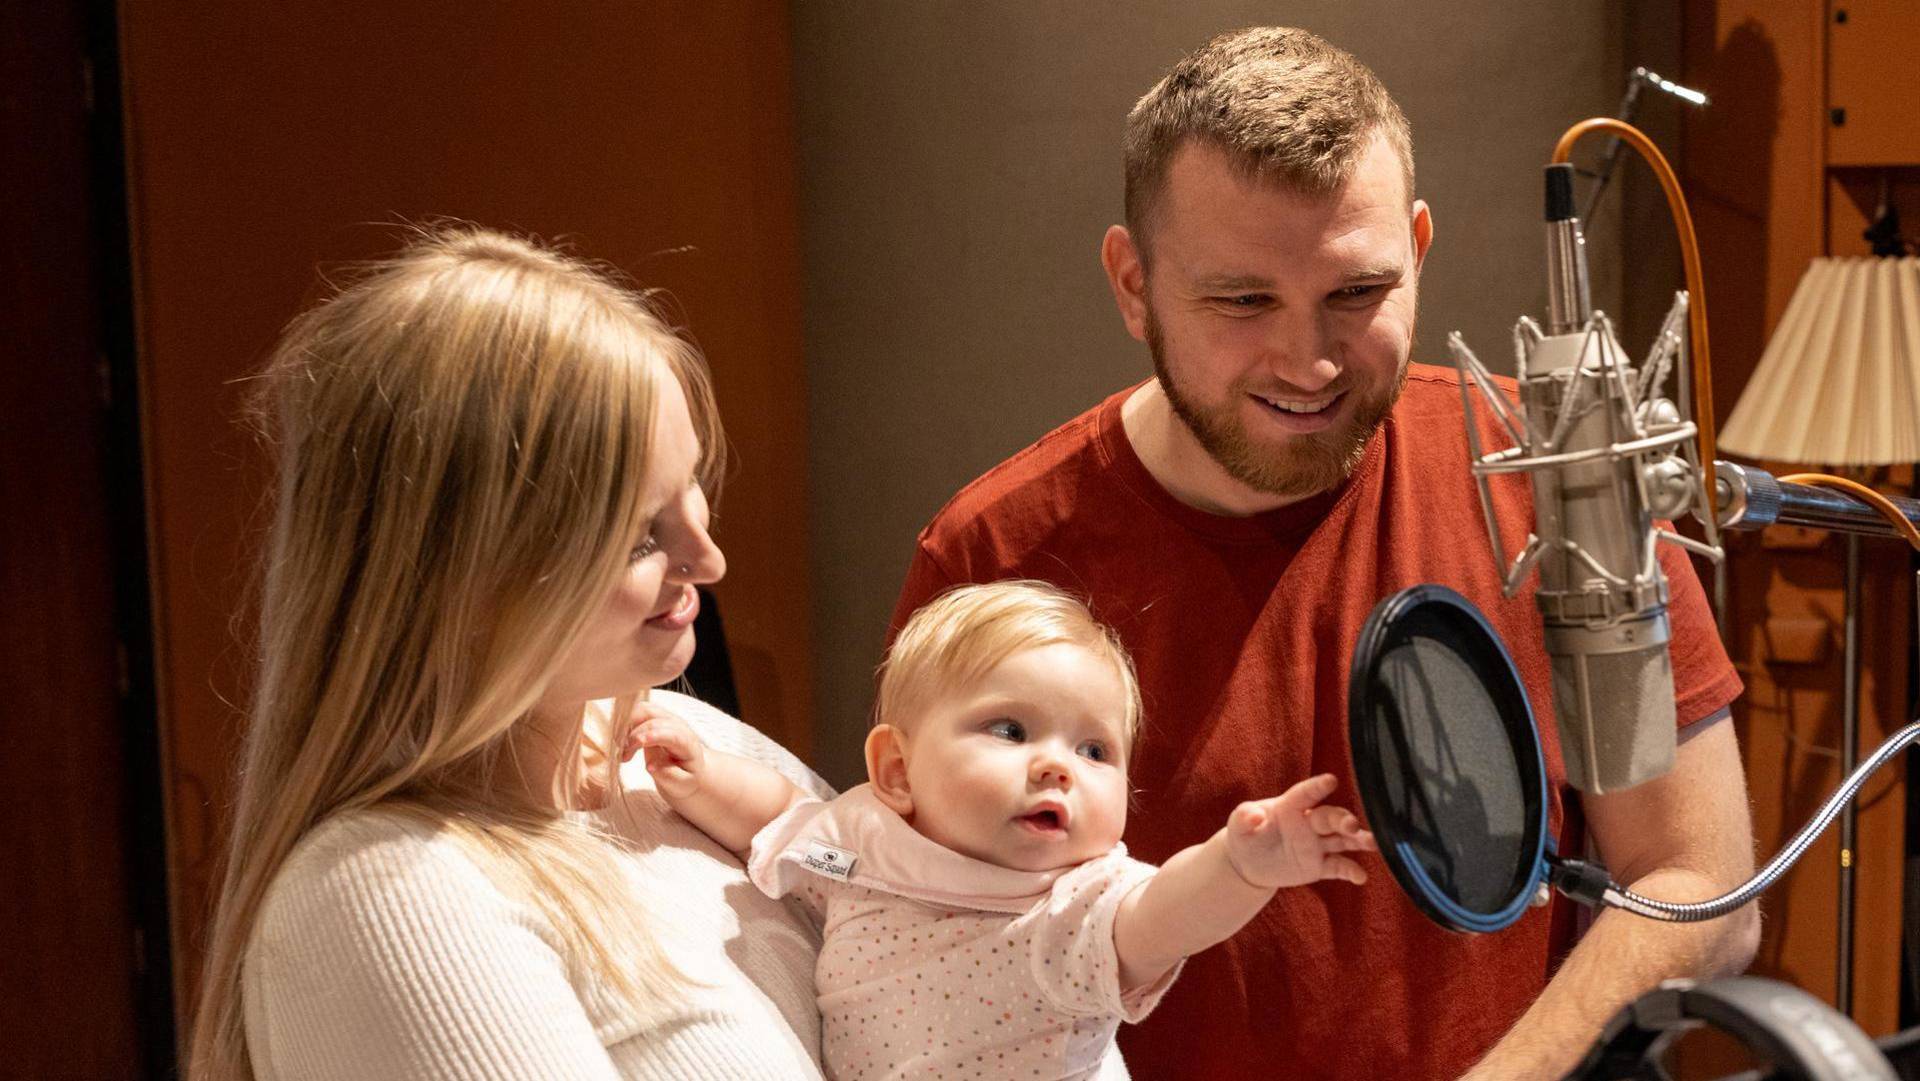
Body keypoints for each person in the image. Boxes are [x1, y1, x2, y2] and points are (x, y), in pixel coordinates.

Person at [890, 27, 1760, 1081]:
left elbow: (1696, 878)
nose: (1308, 362)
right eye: (1243, 301)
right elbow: (916, 947)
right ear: (1133, 284)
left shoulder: (1560, 481)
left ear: (1419, 250)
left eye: (1356, 295)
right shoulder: (998, 554)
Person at [187, 227, 832, 1081]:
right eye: (642, 535)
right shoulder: (391, 894)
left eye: (694, 487)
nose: (708, 564)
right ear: (464, 576)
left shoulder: (694, 746)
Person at [630, 580, 1377, 1080]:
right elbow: (783, 819)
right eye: (1012, 728)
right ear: (896, 769)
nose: (1058, 765)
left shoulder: (1074, 908)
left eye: (1095, 750)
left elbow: (1165, 916)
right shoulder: (867, 845)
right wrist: (703, 775)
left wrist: (1240, 865)